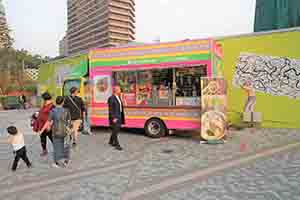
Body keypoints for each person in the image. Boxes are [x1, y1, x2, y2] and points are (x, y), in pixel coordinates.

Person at [47, 96, 72, 168]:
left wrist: (48, 128)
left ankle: (56, 162)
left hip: (56, 131)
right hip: (65, 131)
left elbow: (49, 122)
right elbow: (69, 122)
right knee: (66, 145)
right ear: (63, 102)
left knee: (56, 147)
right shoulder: (66, 111)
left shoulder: (52, 111)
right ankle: (65, 160)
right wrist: (70, 130)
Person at [36, 92, 54, 156]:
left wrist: (50, 125)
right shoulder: (44, 104)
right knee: (42, 139)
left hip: (48, 126)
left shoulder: (52, 106)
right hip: (42, 125)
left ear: (45, 98)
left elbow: (53, 117)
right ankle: (44, 150)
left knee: (52, 138)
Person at [108, 85, 125, 151]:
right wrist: (113, 118)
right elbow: (110, 109)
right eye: (120, 89)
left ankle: (110, 141)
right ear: (116, 90)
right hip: (115, 117)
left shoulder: (118, 97)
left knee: (116, 130)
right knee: (116, 130)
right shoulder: (111, 98)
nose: (120, 90)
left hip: (119, 115)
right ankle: (117, 145)